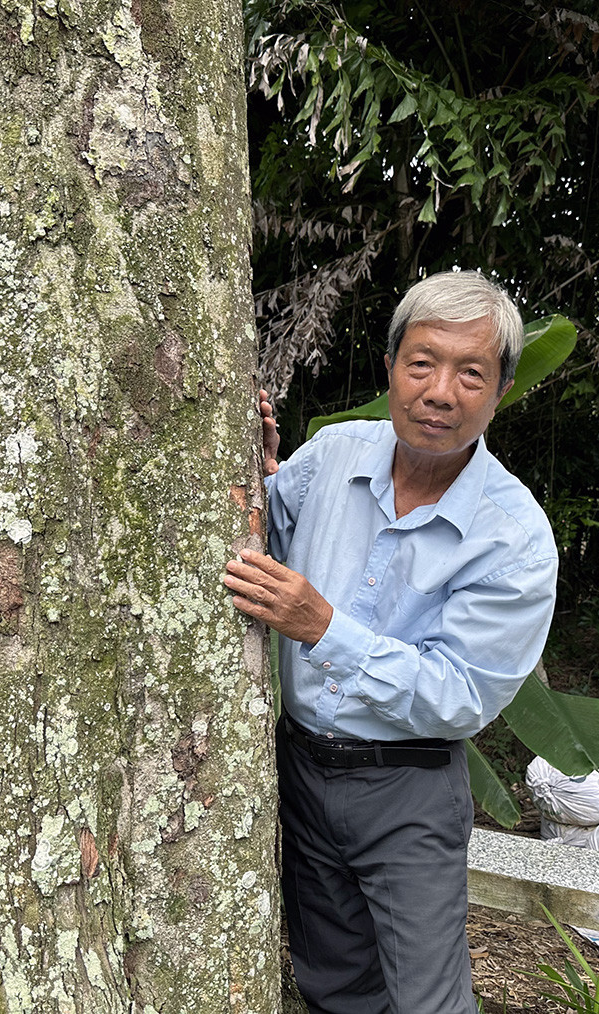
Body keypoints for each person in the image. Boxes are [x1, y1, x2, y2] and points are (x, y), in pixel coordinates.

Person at [223, 271, 558, 1014]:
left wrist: (324, 628)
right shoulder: (337, 452)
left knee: (427, 999)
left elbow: (461, 696)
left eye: (471, 373)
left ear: (500, 389)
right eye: (422, 363)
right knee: (333, 982)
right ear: (391, 368)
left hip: (406, 789)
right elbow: (265, 529)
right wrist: (253, 463)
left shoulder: (514, 538)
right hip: (301, 768)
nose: (441, 391)